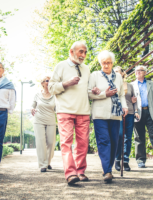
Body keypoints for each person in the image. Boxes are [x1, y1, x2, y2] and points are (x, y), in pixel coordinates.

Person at [49, 41, 100, 185]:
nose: (83, 55)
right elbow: (51, 88)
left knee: (83, 144)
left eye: (85, 52)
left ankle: (80, 171)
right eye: (80, 52)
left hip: (83, 111)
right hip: (65, 111)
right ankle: (70, 173)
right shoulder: (61, 66)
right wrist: (66, 83)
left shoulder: (87, 69)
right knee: (66, 143)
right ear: (71, 52)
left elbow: (87, 90)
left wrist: (94, 91)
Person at [88, 50, 128, 183]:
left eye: (109, 63)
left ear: (112, 63)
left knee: (114, 142)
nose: (106, 65)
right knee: (104, 141)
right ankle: (107, 171)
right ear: (100, 63)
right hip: (99, 114)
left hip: (115, 114)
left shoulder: (118, 77)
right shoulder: (95, 75)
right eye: (104, 63)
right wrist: (104, 94)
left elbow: (121, 94)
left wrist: (125, 106)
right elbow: (89, 94)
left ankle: (108, 168)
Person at [113, 66, 137, 171]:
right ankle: (117, 159)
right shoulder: (112, 84)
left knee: (128, 137)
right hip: (117, 114)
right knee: (119, 136)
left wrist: (136, 111)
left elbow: (134, 100)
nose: (116, 73)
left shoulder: (130, 86)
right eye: (114, 72)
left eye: (118, 71)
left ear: (123, 73)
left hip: (130, 113)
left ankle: (126, 160)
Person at [31, 75, 56, 173]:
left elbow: (58, 108)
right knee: (40, 142)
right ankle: (43, 165)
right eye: (47, 81)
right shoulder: (37, 95)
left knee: (51, 142)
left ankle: (47, 162)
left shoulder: (55, 95)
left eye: (50, 81)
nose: (49, 82)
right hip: (39, 120)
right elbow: (32, 105)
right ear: (42, 83)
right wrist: (31, 108)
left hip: (50, 120)